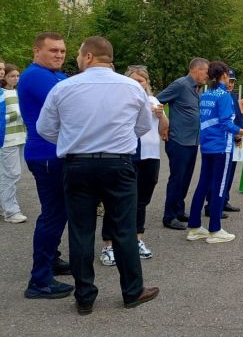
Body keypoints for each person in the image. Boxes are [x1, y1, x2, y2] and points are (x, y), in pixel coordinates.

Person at [37, 36, 159, 314]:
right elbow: (141, 126)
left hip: (77, 164)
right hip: (119, 164)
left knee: (81, 231)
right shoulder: (132, 87)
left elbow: (45, 128)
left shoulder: (64, 87)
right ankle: (132, 291)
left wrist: (74, 140)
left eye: (79, 55)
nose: (76, 59)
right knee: (124, 229)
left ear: (89, 56)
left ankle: (84, 297)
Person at [17, 32, 74, 300]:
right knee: (53, 214)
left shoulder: (56, 76)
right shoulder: (36, 75)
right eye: (53, 51)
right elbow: (72, 104)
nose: (59, 55)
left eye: (62, 51)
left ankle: (52, 259)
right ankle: (39, 281)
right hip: (46, 154)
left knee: (58, 212)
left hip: (55, 152)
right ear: (36, 51)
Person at [186, 62, 243, 243]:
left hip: (206, 146)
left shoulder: (205, 94)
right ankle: (215, 229)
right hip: (221, 147)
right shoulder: (225, 96)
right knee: (219, 187)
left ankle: (195, 227)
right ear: (224, 76)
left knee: (202, 185)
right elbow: (226, 124)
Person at [99, 65, 168, 266]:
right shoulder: (120, 100)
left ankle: (137, 240)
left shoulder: (154, 100)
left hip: (151, 155)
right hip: (126, 154)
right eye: (135, 80)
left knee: (142, 200)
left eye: (142, 80)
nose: (138, 84)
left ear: (147, 83)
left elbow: (165, 129)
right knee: (116, 200)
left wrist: (161, 115)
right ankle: (109, 244)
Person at [156, 58, 209, 230]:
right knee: (177, 178)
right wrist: (164, 121)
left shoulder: (197, 89)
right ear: (197, 70)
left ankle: (179, 210)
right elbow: (157, 101)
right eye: (206, 72)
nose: (207, 76)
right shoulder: (180, 85)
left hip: (192, 141)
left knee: (185, 179)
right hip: (178, 141)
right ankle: (169, 216)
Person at [204, 67, 243, 216]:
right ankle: (212, 206)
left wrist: (241, 132)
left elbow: (238, 116)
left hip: (234, 139)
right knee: (217, 176)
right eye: (229, 80)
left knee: (229, 173)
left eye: (233, 81)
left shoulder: (232, 96)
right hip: (220, 141)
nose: (230, 84)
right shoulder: (217, 95)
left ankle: (223, 200)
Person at [2, 63, 28, 223]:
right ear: (4, 78)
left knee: (9, 174)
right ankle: (11, 212)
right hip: (7, 139)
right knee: (11, 174)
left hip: (20, 137)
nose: (16, 79)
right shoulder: (2, 94)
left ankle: (6, 207)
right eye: (12, 76)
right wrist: (16, 114)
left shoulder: (17, 92)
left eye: (18, 76)